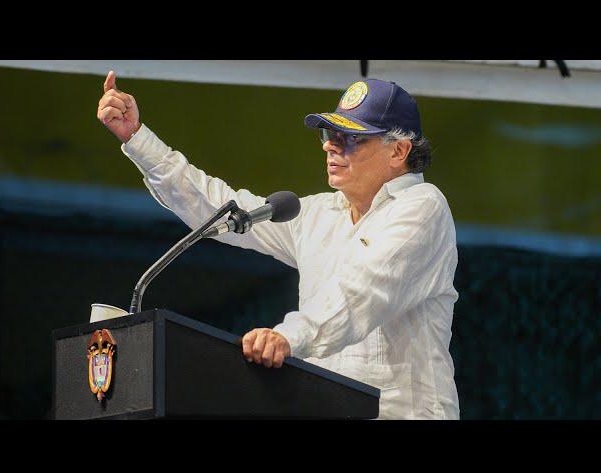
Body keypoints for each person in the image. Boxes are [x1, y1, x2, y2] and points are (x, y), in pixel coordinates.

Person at [97, 71, 460, 419]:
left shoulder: (422, 206)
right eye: (328, 134)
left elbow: (363, 294)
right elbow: (219, 208)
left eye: (350, 138)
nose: (331, 147)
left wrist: (287, 337)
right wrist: (137, 138)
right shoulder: (318, 213)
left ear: (398, 152)